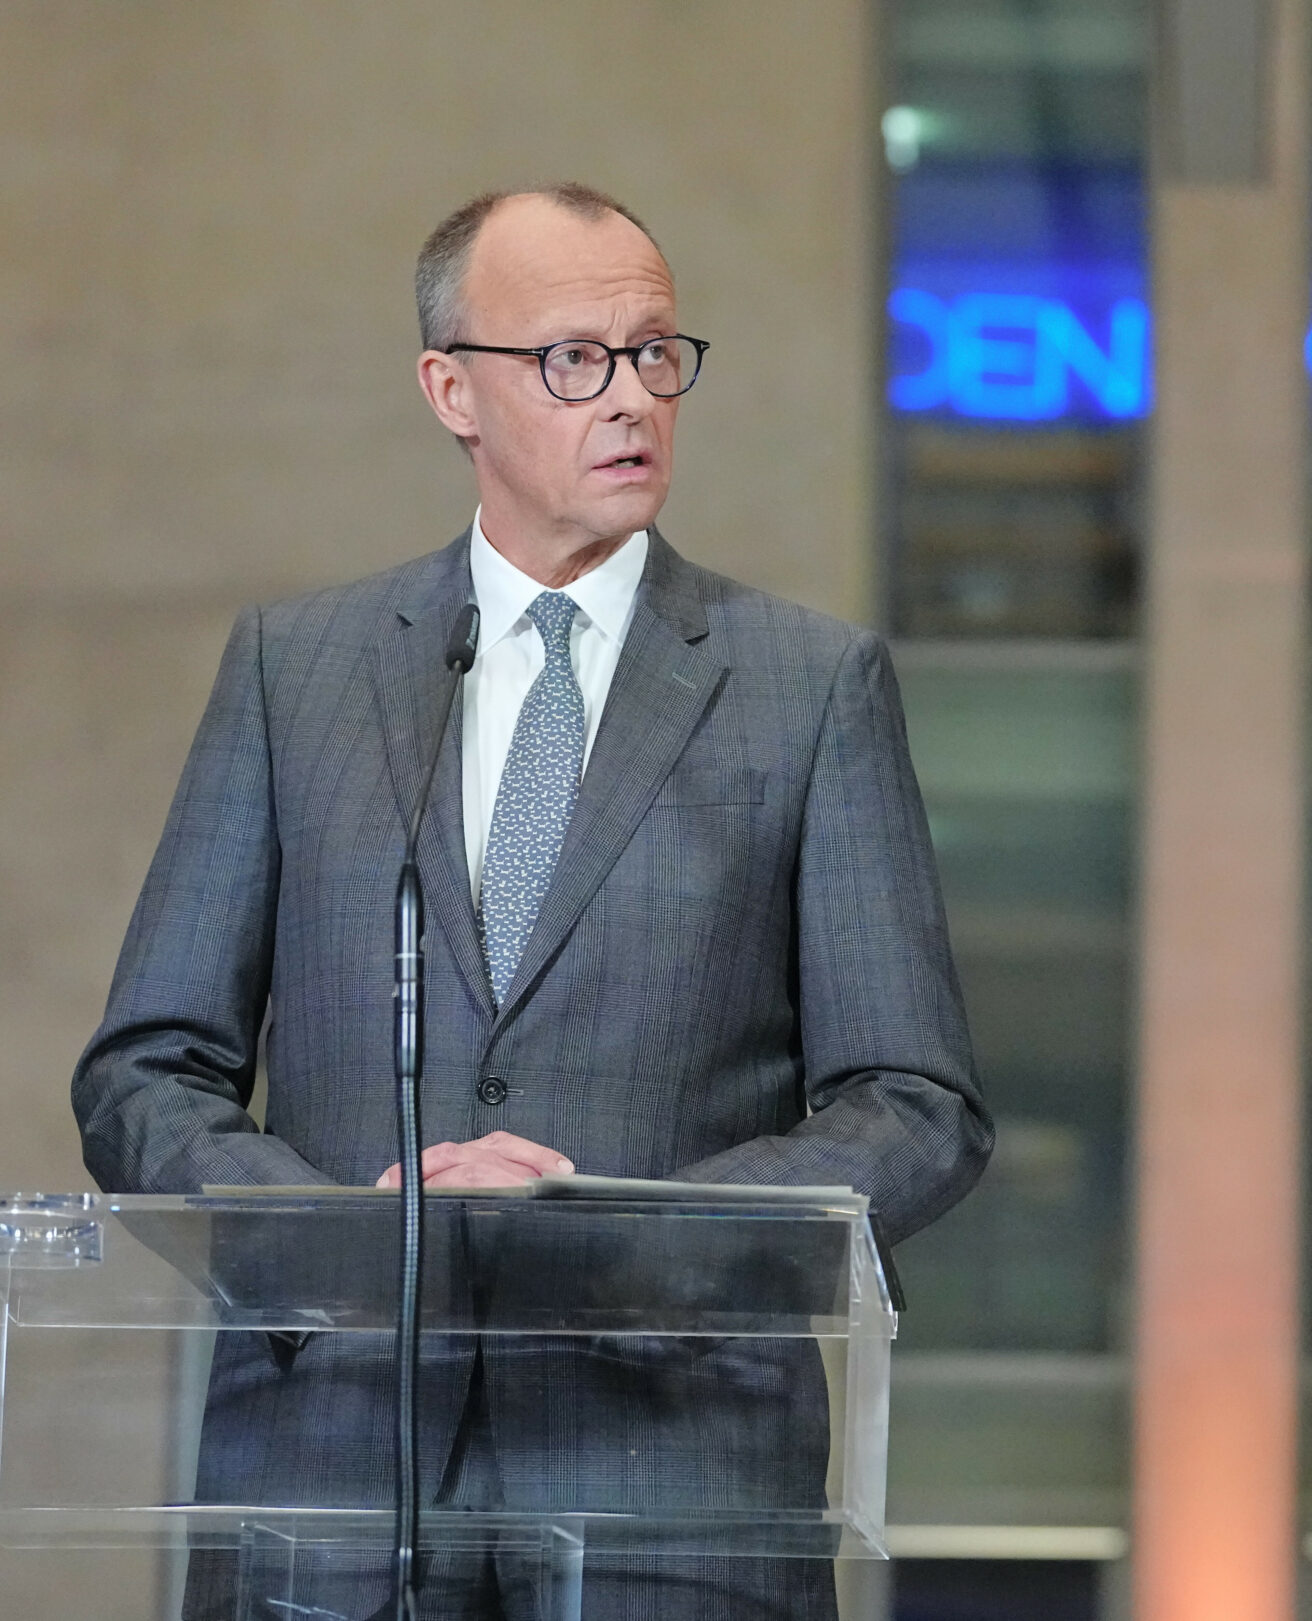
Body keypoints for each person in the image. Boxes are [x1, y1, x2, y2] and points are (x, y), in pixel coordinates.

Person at [73, 183, 991, 1619]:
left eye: (656, 353)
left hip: (672, 1487)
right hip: (331, 1486)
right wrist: (337, 1238)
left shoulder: (809, 689)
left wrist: (624, 1232)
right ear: (453, 389)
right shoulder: (297, 672)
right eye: (575, 358)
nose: (631, 397)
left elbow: (917, 1105)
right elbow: (146, 1072)